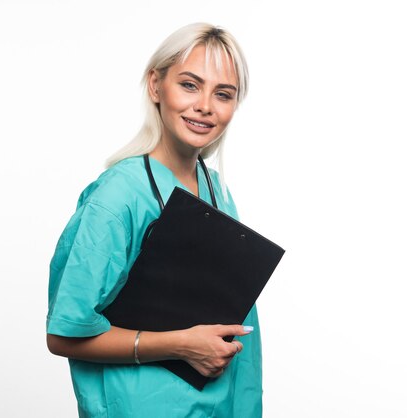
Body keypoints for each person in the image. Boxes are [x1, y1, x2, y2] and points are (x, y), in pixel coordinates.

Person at [46, 23, 262, 417]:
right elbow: (64, 334)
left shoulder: (218, 192)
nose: (205, 106)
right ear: (155, 86)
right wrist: (180, 344)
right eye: (190, 85)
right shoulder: (118, 196)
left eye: (223, 94)